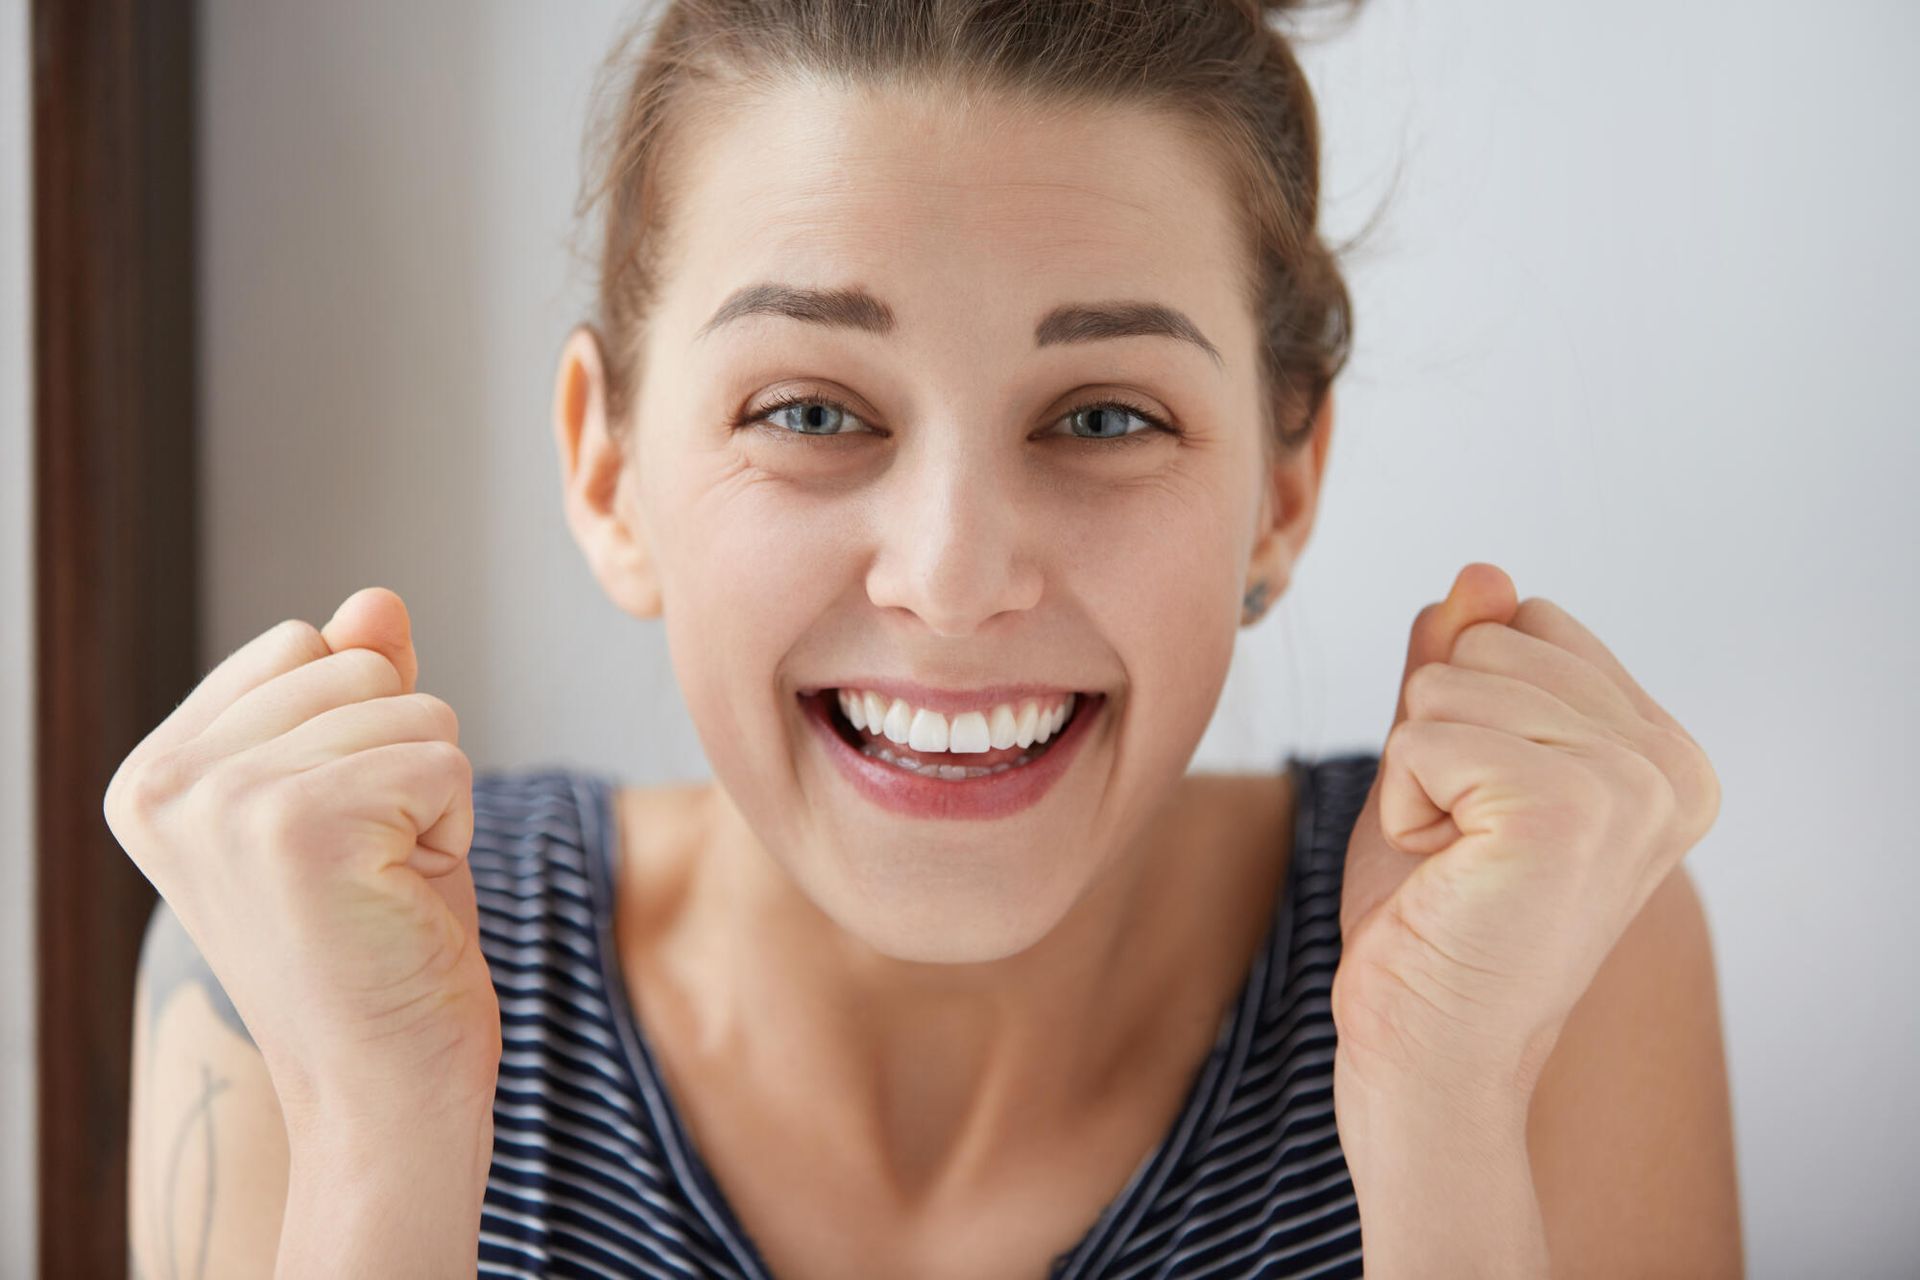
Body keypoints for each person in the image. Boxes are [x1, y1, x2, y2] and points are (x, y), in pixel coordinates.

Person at [117, 1, 1742, 1276]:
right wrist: (376, 1147)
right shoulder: (316, 969)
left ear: (1281, 488)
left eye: (1105, 414)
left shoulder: (1536, 956)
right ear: (609, 470)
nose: (955, 579)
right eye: (813, 407)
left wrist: (1443, 1133)